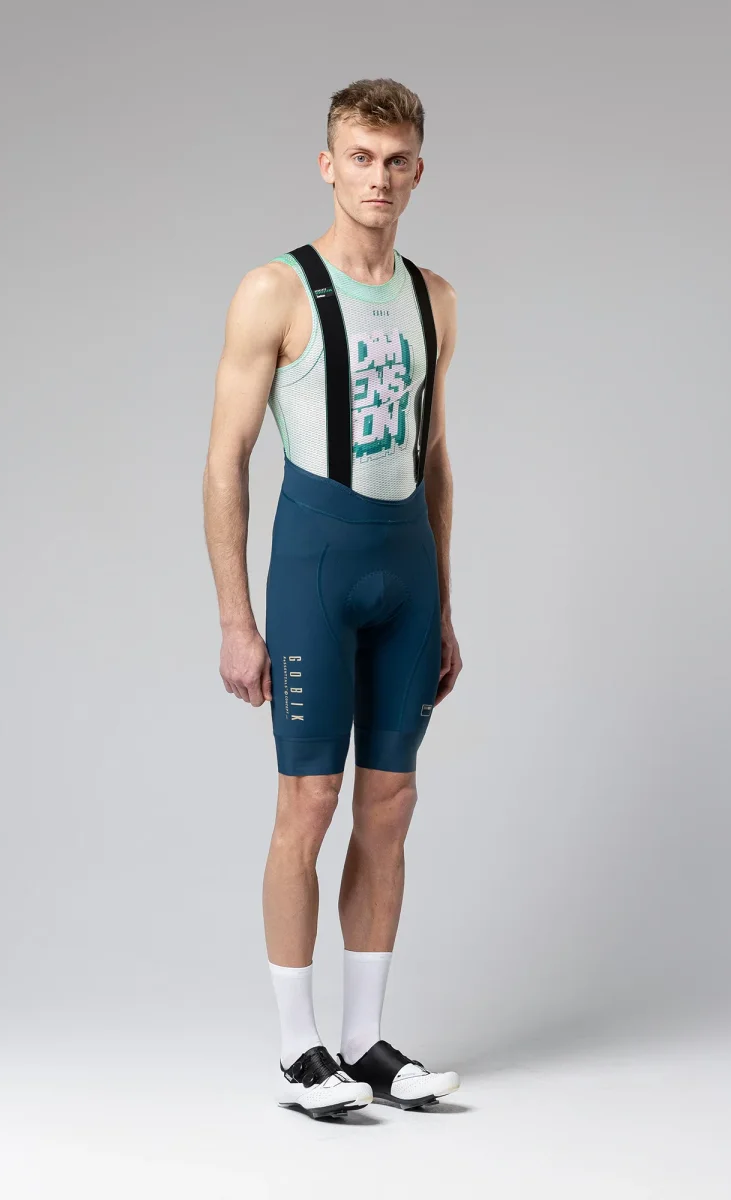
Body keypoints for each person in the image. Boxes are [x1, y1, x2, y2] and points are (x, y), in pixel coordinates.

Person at [202, 78, 463, 1119]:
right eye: (360, 157)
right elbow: (224, 461)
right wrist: (236, 619)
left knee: (390, 805)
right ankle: (297, 1048)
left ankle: (365, 1042)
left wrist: (445, 606)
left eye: (396, 161)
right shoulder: (274, 290)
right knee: (307, 803)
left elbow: (432, 459)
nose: (378, 178)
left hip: (407, 573)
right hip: (315, 566)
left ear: (419, 171)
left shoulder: (436, 299)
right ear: (328, 165)